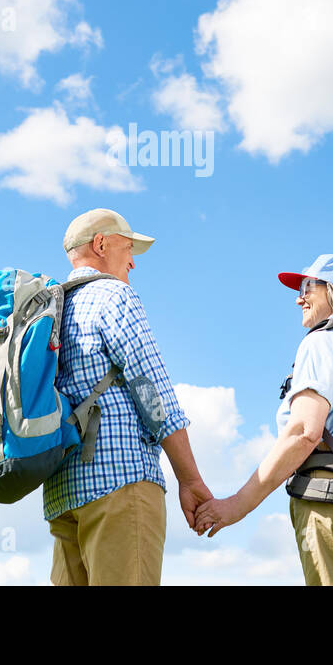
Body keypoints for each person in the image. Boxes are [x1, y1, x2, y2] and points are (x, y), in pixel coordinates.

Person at [194, 254, 333, 586]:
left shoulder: (323, 342)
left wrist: (239, 504)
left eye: (309, 286)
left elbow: (304, 432)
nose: (299, 297)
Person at [44, 207, 212, 585]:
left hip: (62, 494)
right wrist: (190, 479)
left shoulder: (51, 309)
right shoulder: (114, 295)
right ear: (101, 244)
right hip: (120, 484)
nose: (133, 263)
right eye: (127, 248)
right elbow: (151, 391)